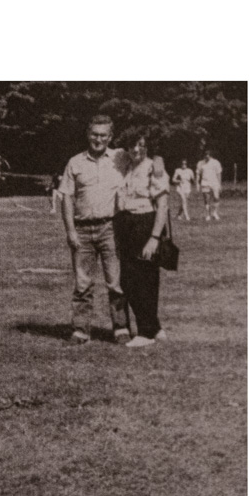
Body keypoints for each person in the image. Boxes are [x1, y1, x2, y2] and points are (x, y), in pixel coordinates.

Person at [58, 115, 130, 345]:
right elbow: (66, 198)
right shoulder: (75, 162)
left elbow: (146, 159)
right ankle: (80, 330)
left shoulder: (121, 158)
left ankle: (121, 328)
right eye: (94, 134)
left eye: (103, 135)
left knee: (116, 283)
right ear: (88, 135)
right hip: (82, 230)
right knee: (82, 283)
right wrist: (70, 231)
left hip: (111, 228)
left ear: (110, 137)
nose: (98, 139)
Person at [114, 134, 169, 347]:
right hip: (127, 224)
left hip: (146, 224)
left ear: (148, 148)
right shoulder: (126, 165)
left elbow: (163, 205)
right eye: (133, 145)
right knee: (128, 280)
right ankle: (155, 328)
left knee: (144, 279)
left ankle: (145, 333)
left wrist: (154, 238)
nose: (136, 149)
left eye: (142, 145)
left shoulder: (154, 168)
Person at [196, 149, 223, 221]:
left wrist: (219, 184)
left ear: (210, 155)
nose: (207, 156)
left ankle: (215, 213)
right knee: (206, 199)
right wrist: (197, 184)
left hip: (214, 182)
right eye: (205, 155)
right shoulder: (200, 163)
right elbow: (198, 174)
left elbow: (219, 174)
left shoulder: (216, 162)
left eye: (208, 155)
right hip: (205, 182)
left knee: (216, 198)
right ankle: (208, 215)